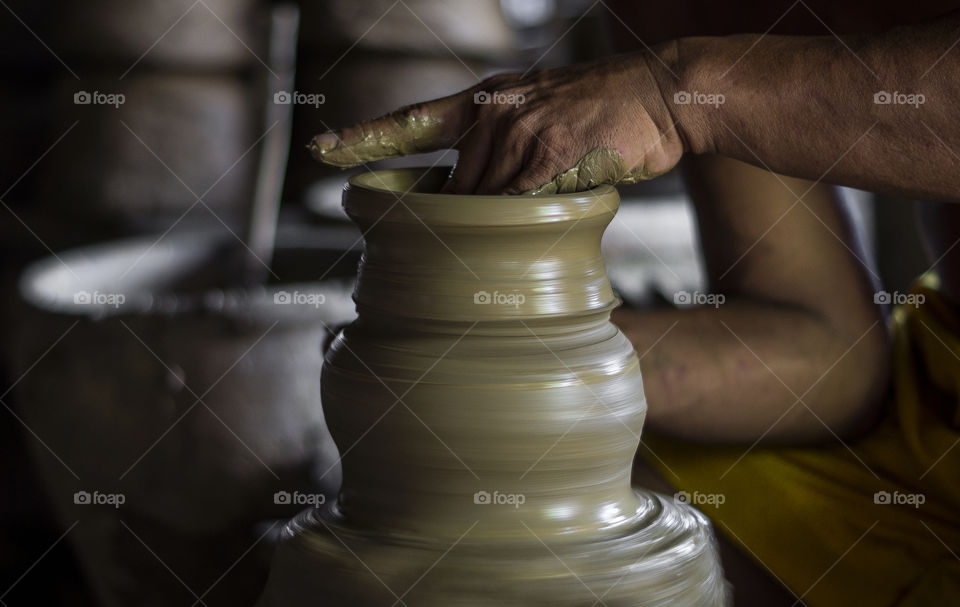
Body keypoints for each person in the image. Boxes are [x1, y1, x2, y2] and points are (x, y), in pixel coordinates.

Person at [309, 2, 960, 605]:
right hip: (931, 398)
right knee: (532, 500)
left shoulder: (683, 77)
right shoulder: (696, 8)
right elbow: (824, 352)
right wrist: (501, 355)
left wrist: (671, 93)